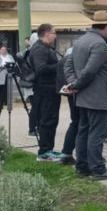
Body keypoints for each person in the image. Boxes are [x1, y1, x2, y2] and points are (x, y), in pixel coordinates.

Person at [63, 11, 107, 180]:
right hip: (98, 95)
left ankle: (82, 167)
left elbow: (68, 65)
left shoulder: (80, 41)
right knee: (97, 133)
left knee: (84, 131)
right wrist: (76, 84)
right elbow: (90, 71)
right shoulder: (99, 44)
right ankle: (98, 169)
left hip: (83, 95)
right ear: (106, 26)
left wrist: (74, 84)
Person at [28, 25, 62, 162]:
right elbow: (41, 69)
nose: (55, 36)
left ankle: (49, 149)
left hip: (51, 89)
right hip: (45, 90)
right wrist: (60, 65)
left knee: (51, 120)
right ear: (47, 34)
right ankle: (44, 152)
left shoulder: (45, 48)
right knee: (47, 120)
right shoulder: (39, 49)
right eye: (54, 33)